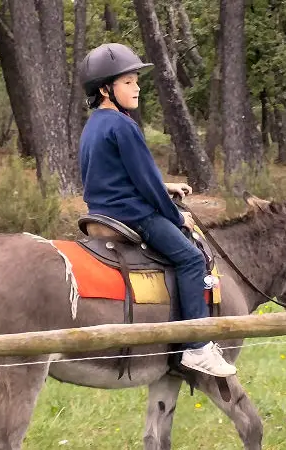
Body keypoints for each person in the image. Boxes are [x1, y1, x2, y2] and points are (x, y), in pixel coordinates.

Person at [77, 43, 237, 378]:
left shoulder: (95, 124)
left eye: (136, 81)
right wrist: (178, 217)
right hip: (132, 215)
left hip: (101, 212)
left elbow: (116, 174)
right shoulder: (124, 126)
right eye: (128, 82)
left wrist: (165, 186)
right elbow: (146, 185)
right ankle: (196, 346)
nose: (137, 88)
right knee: (191, 258)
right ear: (105, 89)